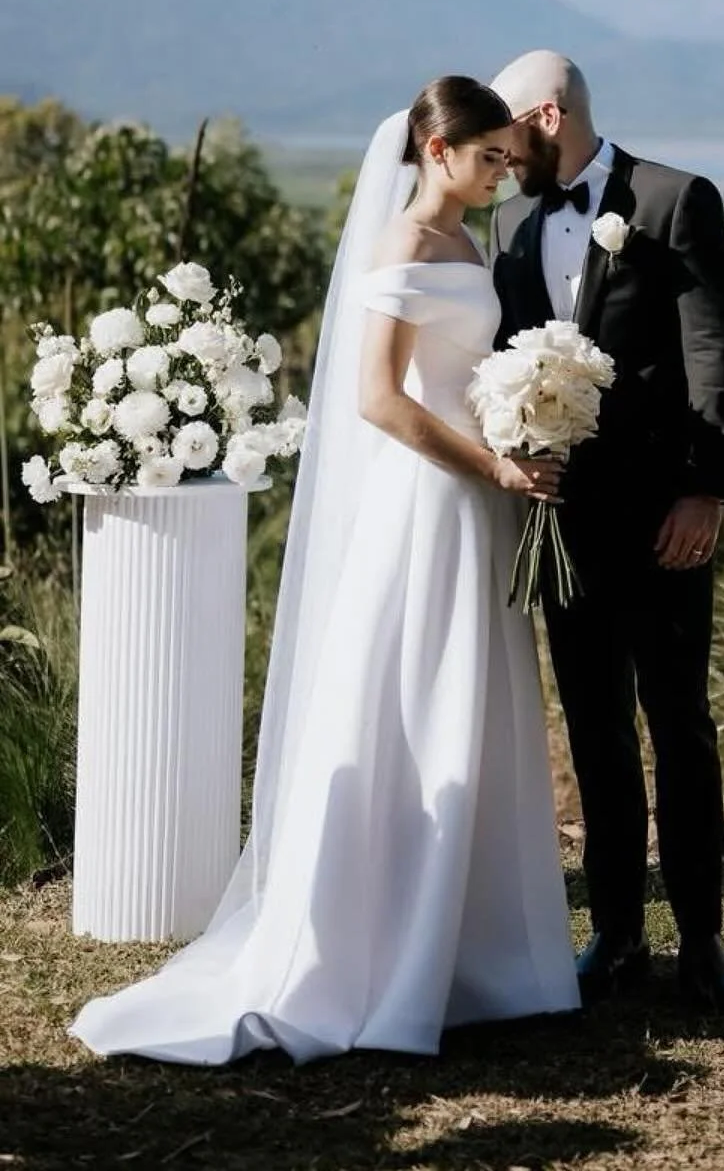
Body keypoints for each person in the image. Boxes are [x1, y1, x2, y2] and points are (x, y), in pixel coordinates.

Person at [71, 76, 580, 1064]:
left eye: (506, 162)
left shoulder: (469, 245)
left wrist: (525, 422)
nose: (500, 176)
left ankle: (477, 956)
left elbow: (460, 376)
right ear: (435, 153)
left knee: (471, 706)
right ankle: (385, 950)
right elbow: (378, 402)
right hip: (430, 500)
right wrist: (491, 462)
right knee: (414, 702)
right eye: (487, 160)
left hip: (478, 498)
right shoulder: (402, 249)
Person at [489, 50, 724, 1011]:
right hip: (564, 523)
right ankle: (614, 933)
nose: (496, 151)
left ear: (547, 116)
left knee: (678, 722)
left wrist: (706, 490)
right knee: (595, 729)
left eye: (506, 131)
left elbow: (717, 350)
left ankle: (704, 938)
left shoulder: (677, 200)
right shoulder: (511, 222)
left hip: (663, 517)